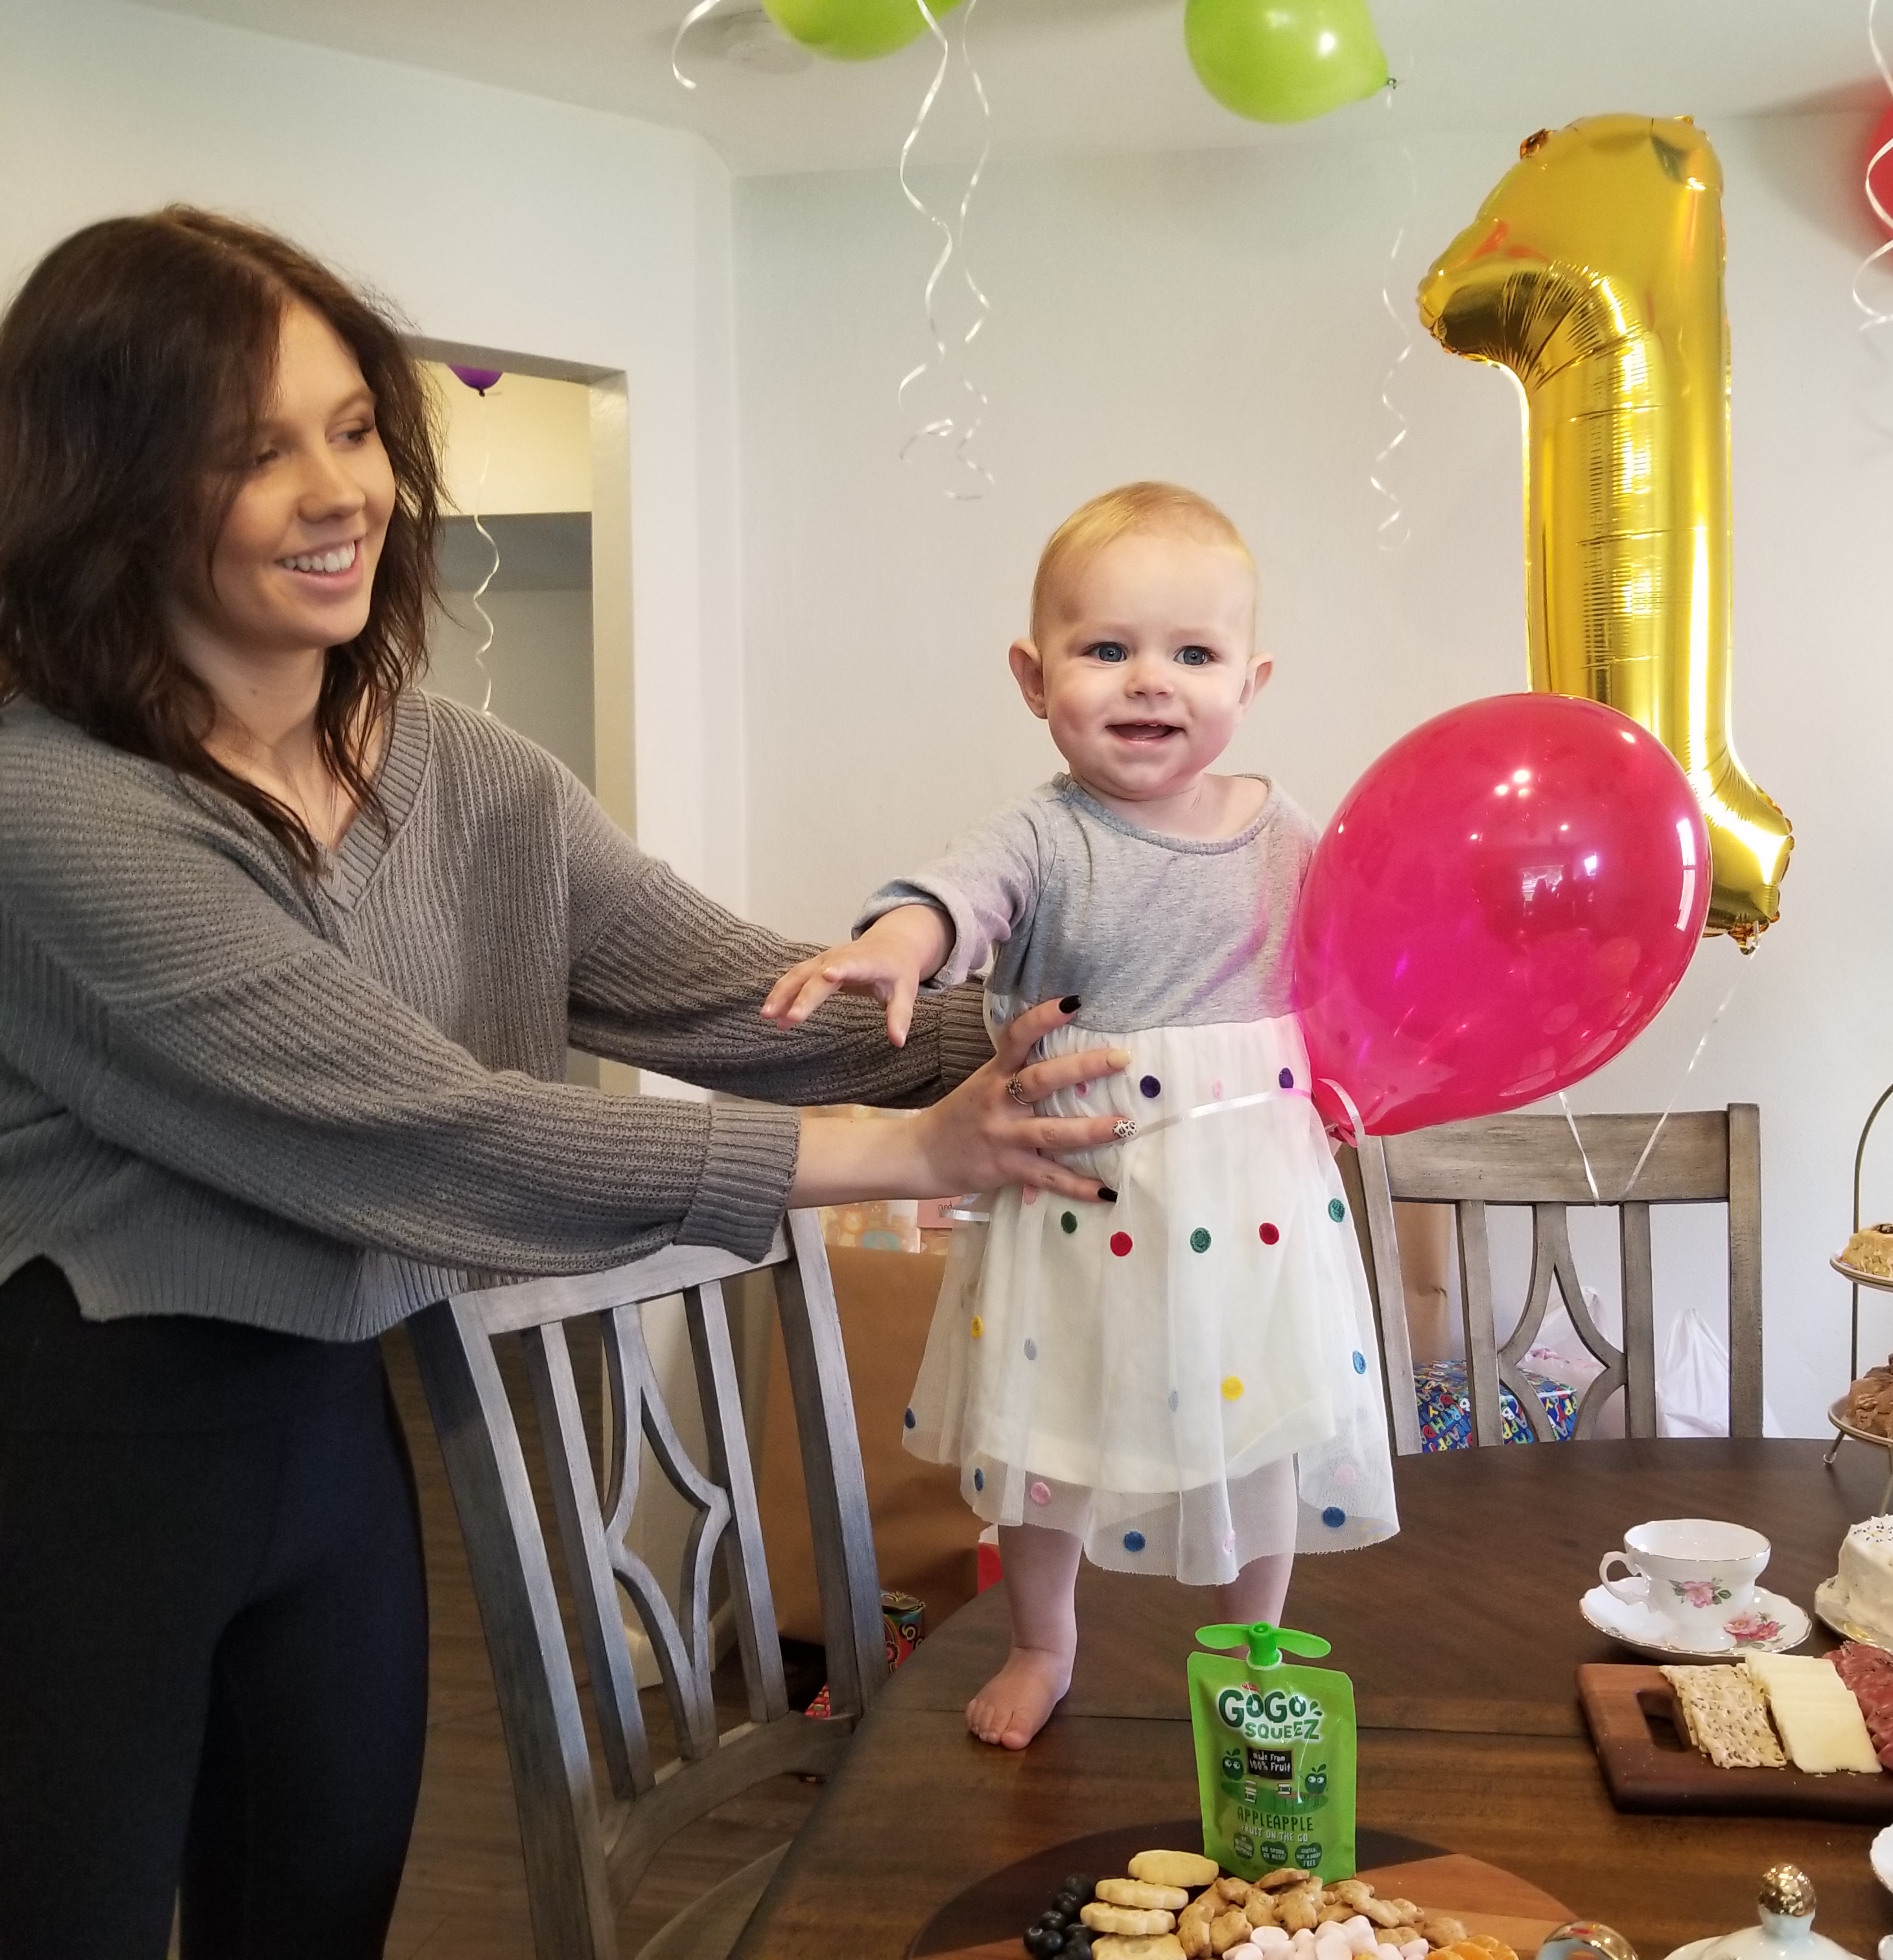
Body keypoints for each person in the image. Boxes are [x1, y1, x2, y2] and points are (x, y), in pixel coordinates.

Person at [0, 209, 1130, 1960]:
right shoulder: (50, 810)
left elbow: (742, 995)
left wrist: (1092, 1033)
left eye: (355, 428)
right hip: (82, 1446)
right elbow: (432, 1132)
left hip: (331, 1426)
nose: (340, 492)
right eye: (253, 451)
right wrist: (906, 1152)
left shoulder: (454, 767)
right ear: (107, 488)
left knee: (313, 1922)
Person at [764, 482, 1400, 1750]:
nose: (1150, 680)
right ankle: (1044, 1641)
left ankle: (1253, 1652)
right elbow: (955, 895)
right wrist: (898, 943)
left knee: (1256, 1439)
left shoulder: (1287, 833)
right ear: (1033, 675)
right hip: (1080, 1192)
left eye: (1194, 654)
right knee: (1042, 1439)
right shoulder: (1047, 835)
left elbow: (1362, 954)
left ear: (1251, 681)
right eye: (1107, 648)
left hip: (1252, 1210)